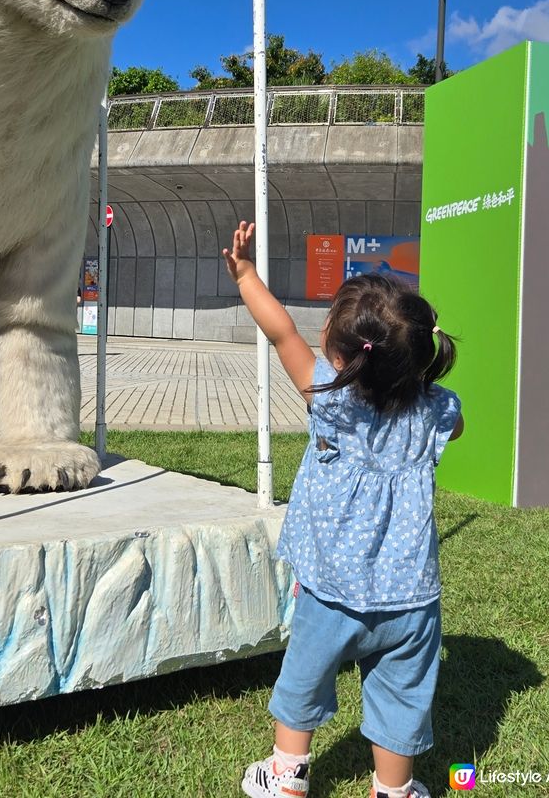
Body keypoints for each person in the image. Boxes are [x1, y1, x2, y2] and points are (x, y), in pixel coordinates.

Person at [223, 222, 464, 798]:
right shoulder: (436, 410)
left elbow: (280, 332)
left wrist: (246, 274)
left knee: (305, 679)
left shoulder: (329, 402)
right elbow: (454, 426)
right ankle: (395, 791)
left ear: (341, 357)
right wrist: (421, 393)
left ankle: (287, 777)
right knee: (403, 697)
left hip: (331, 592)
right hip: (410, 600)